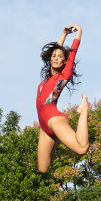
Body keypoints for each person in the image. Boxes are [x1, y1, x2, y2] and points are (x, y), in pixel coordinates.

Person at [36, 23, 89, 173]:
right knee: (43, 169)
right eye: (53, 56)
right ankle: (58, 139)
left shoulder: (63, 76)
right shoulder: (48, 78)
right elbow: (55, 50)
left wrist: (79, 33)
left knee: (82, 148)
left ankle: (84, 110)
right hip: (44, 126)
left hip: (54, 119)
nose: (55, 58)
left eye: (60, 57)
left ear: (64, 62)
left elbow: (72, 53)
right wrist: (63, 34)